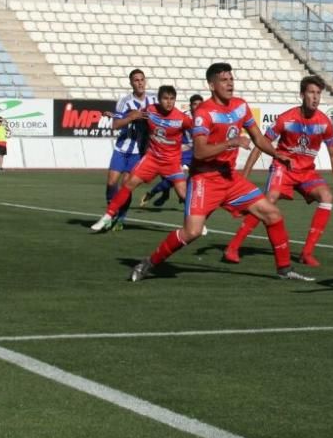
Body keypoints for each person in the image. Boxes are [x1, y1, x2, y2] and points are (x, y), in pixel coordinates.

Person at [128, 62, 311, 282]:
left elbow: (258, 137)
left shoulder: (241, 106)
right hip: (205, 180)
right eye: (224, 80)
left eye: (231, 79)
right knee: (192, 232)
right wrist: (231, 142)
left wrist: (277, 154)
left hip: (230, 178)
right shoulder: (204, 113)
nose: (230, 83)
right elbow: (199, 151)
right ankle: (148, 263)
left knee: (272, 214)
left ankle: (284, 269)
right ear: (212, 85)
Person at [223, 75, 333, 267]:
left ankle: (306, 253)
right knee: (270, 200)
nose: (315, 97)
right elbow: (261, 145)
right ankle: (233, 247)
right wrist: (245, 176)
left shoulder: (324, 123)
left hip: (306, 172)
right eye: (311, 92)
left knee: (327, 196)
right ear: (302, 95)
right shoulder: (286, 118)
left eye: (318, 93)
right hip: (283, 168)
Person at [91, 86, 193, 232]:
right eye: (165, 98)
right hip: (151, 159)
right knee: (128, 185)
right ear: (159, 99)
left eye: (172, 99)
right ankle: (107, 216)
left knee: (184, 195)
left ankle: (195, 223)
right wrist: (115, 116)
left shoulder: (181, 118)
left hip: (171, 162)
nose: (169, 102)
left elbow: (197, 132)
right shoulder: (150, 110)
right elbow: (133, 114)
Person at [105, 69, 157, 230]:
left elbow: (161, 121)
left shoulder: (154, 100)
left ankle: (120, 219)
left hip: (138, 152)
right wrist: (130, 117)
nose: (140, 83)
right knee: (111, 183)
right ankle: (111, 212)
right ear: (131, 83)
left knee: (125, 186)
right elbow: (114, 125)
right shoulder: (124, 101)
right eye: (136, 80)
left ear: (145, 81)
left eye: (142, 79)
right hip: (122, 148)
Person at [141, 94, 204, 207]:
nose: (198, 107)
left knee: (198, 176)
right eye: (195, 104)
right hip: (182, 151)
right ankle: (153, 193)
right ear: (190, 106)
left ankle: (182, 196)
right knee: (174, 178)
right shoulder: (184, 117)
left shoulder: (204, 117)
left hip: (196, 151)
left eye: (200, 104)